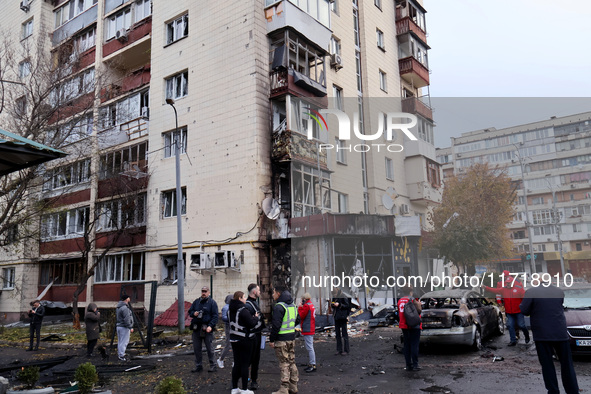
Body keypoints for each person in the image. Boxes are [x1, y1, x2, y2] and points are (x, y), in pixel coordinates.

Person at [520, 283, 579, 394]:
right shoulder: (559, 291)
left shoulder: (531, 292)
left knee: (547, 365)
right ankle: (573, 391)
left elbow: (524, 310)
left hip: (542, 334)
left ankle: (553, 391)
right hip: (560, 332)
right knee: (567, 364)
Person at [484, 271, 529, 346]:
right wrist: (486, 288)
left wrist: (524, 307)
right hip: (509, 311)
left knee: (521, 325)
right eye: (506, 283)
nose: (507, 284)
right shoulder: (503, 288)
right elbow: (496, 291)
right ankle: (513, 340)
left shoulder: (519, 288)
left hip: (518, 311)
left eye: (509, 283)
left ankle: (526, 335)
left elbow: (524, 299)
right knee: (510, 325)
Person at [269, 285, 299, 394]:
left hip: (281, 339)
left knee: (284, 363)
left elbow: (276, 325)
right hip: (291, 337)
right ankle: (293, 386)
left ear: (278, 293)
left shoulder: (279, 307)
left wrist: (272, 339)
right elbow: (297, 319)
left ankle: (284, 388)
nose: (272, 295)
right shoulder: (292, 305)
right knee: (291, 361)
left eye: (273, 292)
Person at [229, 291, 260, 394]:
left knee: (236, 363)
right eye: (244, 298)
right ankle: (244, 389)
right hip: (244, 340)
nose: (245, 299)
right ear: (239, 298)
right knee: (245, 364)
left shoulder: (229, 309)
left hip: (234, 339)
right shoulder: (243, 310)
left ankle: (234, 388)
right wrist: (255, 317)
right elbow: (251, 324)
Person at [188, 286, 219, 373]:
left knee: (209, 348)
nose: (203, 293)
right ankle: (198, 366)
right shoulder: (196, 302)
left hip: (207, 328)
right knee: (197, 348)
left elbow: (215, 316)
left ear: (209, 292)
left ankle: (213, 365)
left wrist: (210, 326)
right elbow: (190, 312)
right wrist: (194, 313)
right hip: (196, 328)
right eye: (202, 291)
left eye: (205, 291)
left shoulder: (212, 303)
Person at [244, 283, 266, 391]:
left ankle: (253, 380)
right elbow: (248, 321)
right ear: (254, 292)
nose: (260, 292)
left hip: (256, 334)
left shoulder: (253, 303)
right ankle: (249, 380)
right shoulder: (248, 305)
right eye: (258, 290)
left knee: (255, 359)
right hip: (252, 335)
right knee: (250, 358)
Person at [397, 286, 422, 371]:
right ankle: (415, 364)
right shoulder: (412, 299)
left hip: (404, 325)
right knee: (414, 345)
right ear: (411, 291)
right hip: (414, 325)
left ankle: (408, 365)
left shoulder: (400, 301)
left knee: (407, 345)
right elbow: (419, 310)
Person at [298, 293, 316, 372]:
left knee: (309, 347)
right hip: (311, 326)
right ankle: (312, 363)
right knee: (310, 347)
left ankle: (312, 364)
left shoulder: (306, 306)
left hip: (307, 328)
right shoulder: (311, 304)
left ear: (304, 299)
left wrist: (299, 307)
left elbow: (301, 315)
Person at [331, 287, 351, 356]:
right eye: (333, 295)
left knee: (344, 334)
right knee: (337, 334)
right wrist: (333, 305)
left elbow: (347, 306)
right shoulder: (334, 297)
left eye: (335, 294)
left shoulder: (343, 296)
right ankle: (339, 349)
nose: (334, 295)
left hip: (342, 317)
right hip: (337, 317)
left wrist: (339, 305)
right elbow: (333, 305)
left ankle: (346, 350)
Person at [217, 294, 233, 369]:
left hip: (232, 327)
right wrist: (232, 318)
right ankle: (220, 359)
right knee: (228, 344)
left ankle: (235, 361)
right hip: (228, 327)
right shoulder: (226, 307)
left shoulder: (231, 307)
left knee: (234, 344)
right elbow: (224, 318)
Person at [116, 294, 134, 361]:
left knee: (120, 341)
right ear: (126, 299)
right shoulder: (125, 308)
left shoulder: (119, 307)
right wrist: (130, 327)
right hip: (124, 327)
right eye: (128, 298)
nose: (129, 299)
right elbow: (127, 319)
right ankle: (122, 355)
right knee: (124, 341)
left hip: (119, 326)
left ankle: (120, 354)